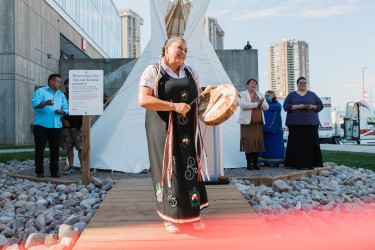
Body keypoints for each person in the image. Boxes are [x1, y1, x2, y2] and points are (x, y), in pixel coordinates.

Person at [138, 36, 208, 234]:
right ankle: (170, 216)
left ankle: (193, 213)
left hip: (187, 128)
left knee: (190, 166)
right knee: (169, 168)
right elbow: (143, 100)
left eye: (185, 49)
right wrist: (173, 106)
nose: (183, 52)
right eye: (179, 48)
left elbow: (200, 97)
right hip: (162, 127)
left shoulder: (191, 71)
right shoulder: (154, 71)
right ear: (166, 49)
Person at [32, 74, 68, 178]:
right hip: (41, 126)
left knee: (55, 150)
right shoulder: (40, 92)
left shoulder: (61, 95)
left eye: (60, 82)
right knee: (39, 149)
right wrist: (46, 103)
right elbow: (35, 105)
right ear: (51, 81)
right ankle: (39, 172)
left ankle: (54, 172)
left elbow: (66, 108)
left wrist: (62, 111)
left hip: (56, 126)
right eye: (58, 81)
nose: (60, 84)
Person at [283, 76, 323, 170]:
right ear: (297, 84)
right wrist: (297, 106)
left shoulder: (312, 94)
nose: (302, 84)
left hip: (311, 123)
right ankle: (294, 164)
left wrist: (312, 107)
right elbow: (286, 106)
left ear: (306, 84)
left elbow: (320, 105)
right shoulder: (291, 95)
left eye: (304, 83)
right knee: (296, 144)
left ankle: (311, 163)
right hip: (295, 123)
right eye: (300, 83)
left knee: (310, 144)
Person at [237, 79, 269, 170]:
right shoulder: (243, 94)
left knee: (257, 144)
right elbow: (242, 105)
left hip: (257, 124)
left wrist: (261, 103)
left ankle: (255, 163)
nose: (254, 85)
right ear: (247, 85)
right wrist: (256, 104)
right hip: (247, 124)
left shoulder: (260, 95)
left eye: (255, 84)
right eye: (252, 83)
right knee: (248, 144)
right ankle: (249, 164)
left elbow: (266, 108)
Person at [60, 79, 83, 175]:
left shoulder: (80, 96)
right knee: (69, 148)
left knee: (81, 147)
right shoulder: (61, 96)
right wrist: (62, 119)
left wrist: (83, 125)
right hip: (66, 126)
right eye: (67, 87)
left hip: (78, 126)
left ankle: (83, 167)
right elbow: (56, 109)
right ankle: (71, 166)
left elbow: (87, 109)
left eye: (70, 86)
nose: (68, 88)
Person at [259, 91, 284, 167]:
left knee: (275, 147)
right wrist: (267, 99)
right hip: (265, 129)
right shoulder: (262, 105)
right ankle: (266, 162)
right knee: (265, 146)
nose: (267, 97)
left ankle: (276, 162)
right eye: (266, 95)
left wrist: (268, 99)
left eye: (269, 95)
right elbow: (265, 106)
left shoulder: (277, 105)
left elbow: (269, 107)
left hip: (275, 130)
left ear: (274, 96)